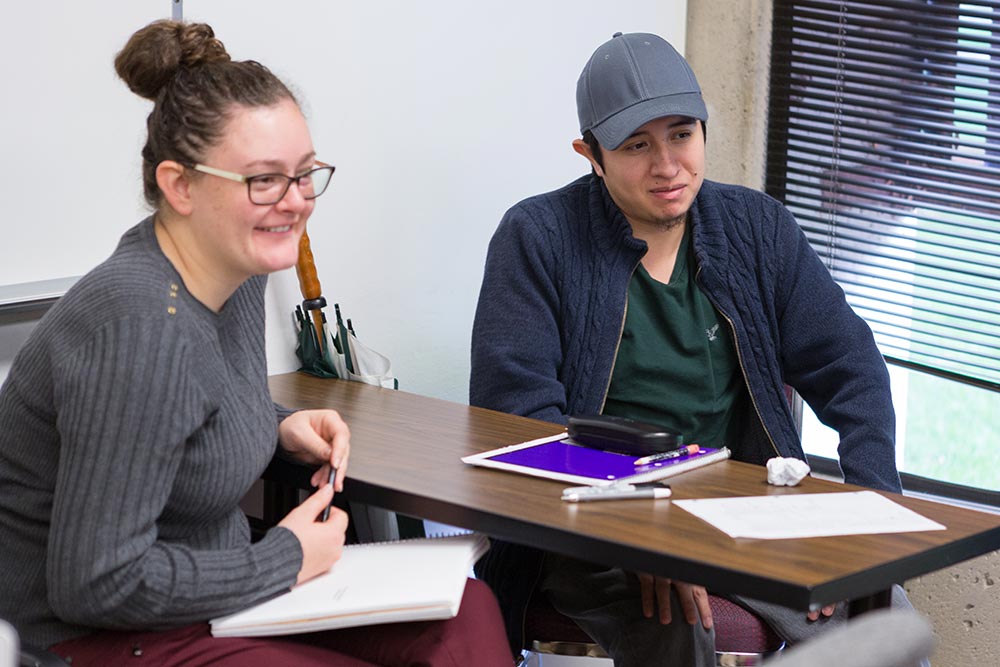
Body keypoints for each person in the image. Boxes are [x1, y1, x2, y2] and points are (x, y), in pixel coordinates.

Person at [0, 20, 511, 667]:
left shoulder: (235, 269)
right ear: (180, 186)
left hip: (212, 594)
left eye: (305, 174)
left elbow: (183, 414)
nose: (296, 203)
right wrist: (286, 557)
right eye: (264, 180)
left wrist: (276, 425)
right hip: (92, 635)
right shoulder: (139, 326)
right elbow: (97, 583)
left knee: (466, 614)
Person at [470, 32, 924, 667]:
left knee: (887, 623)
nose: (668, 166)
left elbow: (852, 370)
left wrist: (870, 522)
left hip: (739, 516)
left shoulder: (756, 229)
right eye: (636, 145)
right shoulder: (536, 239)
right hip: (591, 527)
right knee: (674, 624)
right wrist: (637, 535)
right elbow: (518, 425)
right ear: (590, 154)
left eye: (681, 135)